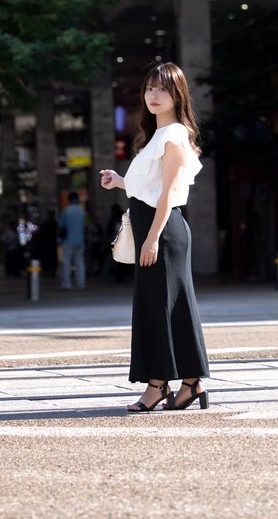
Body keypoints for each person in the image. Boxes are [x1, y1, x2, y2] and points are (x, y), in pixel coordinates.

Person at [100, 61, 210, 414]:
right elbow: (147, 188)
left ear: (177, 95)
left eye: (161, 89)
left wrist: (152, 238)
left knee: (160, 307)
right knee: (163, 307)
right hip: (155, 228)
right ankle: (190, 382)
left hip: (163, 231)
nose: (153, 95)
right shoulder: (156, 137)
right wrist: (120, 181)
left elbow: (169, 192)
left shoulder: (175, 134)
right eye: (149, 88)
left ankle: (158, 384)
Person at [58, 192, 86, 289]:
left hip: (67, 240)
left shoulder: (66, 211)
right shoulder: (82, 211)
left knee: (66, 263)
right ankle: (81, 283)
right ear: (77, 199)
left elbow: (61, 226)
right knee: (80, 262)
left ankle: (66, 284)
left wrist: (59, 240)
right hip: (80, 240)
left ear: (69, 200)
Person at [35, 210, 59, 278]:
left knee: (51, 258)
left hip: (50, 244)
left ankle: (51, 270)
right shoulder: (48, 224)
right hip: (47, 244)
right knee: (47, 258)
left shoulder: (53, 223)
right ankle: (48, 270)